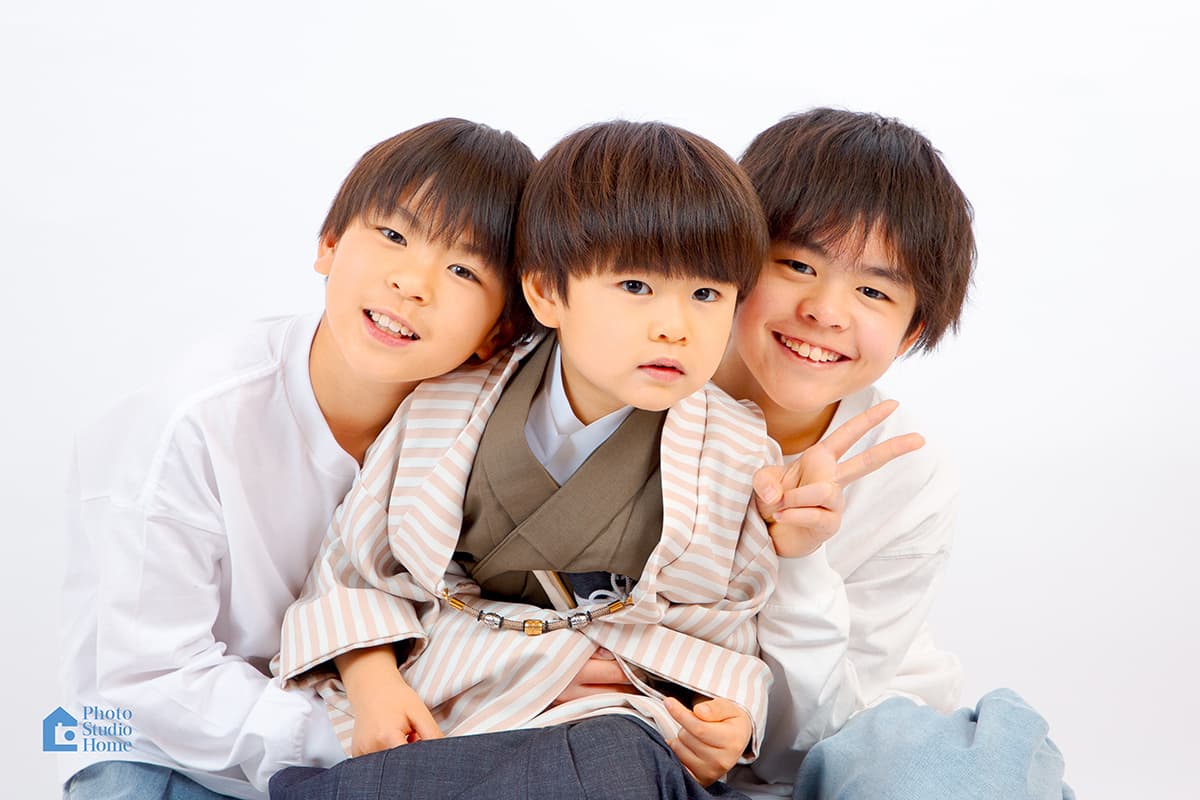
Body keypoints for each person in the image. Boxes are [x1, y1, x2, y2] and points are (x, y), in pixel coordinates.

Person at [271, 120, 804, 800]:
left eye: (706, 295)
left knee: (616, 763)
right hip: (444, 704)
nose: (675, 327)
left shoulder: (734, 449)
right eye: (635, 286)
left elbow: (727, 626)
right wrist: (371, 680)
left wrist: (722, 719)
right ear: (547, 292)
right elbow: (354, 565)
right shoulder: (446, 404)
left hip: (608, 718)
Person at [58, 118, 537, 800]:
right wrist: (353, 730)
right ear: (329, 244)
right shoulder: (196, 419)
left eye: (463, 269)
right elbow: (149, 680)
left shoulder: (484, 429)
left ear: (500, 329)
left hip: (370, 757)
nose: (412, 283)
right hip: (164, 757)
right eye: (393, 235)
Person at [712, 108, 1072, 798]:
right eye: (796, 264)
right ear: (730, 257)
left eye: (873, 291)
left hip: (853, 737)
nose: (825, 310)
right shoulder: (647, 385)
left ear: (911, 333)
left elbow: (802, 748)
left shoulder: (911, 475)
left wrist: (801, 560)